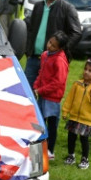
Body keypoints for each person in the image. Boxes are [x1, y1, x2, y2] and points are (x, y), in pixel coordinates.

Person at [24, 0, 81, 87]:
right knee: (27, 94)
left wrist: (60, 52)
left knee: (46, 97)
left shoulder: (67, 8)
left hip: (52, 61)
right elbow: (31, 29)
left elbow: (76, 33)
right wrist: (28, 50)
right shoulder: (38, 6)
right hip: (33, 59)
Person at [61, 58, 91, 169]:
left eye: (90, 71)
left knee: (84, 139)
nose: (86, 72)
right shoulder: (77, 84)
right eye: (85, 69)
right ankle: (71, 155)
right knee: (71, 137)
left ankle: (85, 159)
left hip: (86, 119)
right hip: (74, 117)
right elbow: (70, 99)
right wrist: (66, 111)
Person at [33, 30, 70, 159]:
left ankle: (50, 150)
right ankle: (39, 146)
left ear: (60, 48)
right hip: (42, 94)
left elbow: (58, 82)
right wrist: (36, 86)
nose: (49, 46)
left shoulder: (60, 60)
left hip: (53, 98)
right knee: (40, 122)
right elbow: (41, 73)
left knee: (52, 124)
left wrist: (40, 90)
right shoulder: (44, 55)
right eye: (49, 42)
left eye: (53, 46)